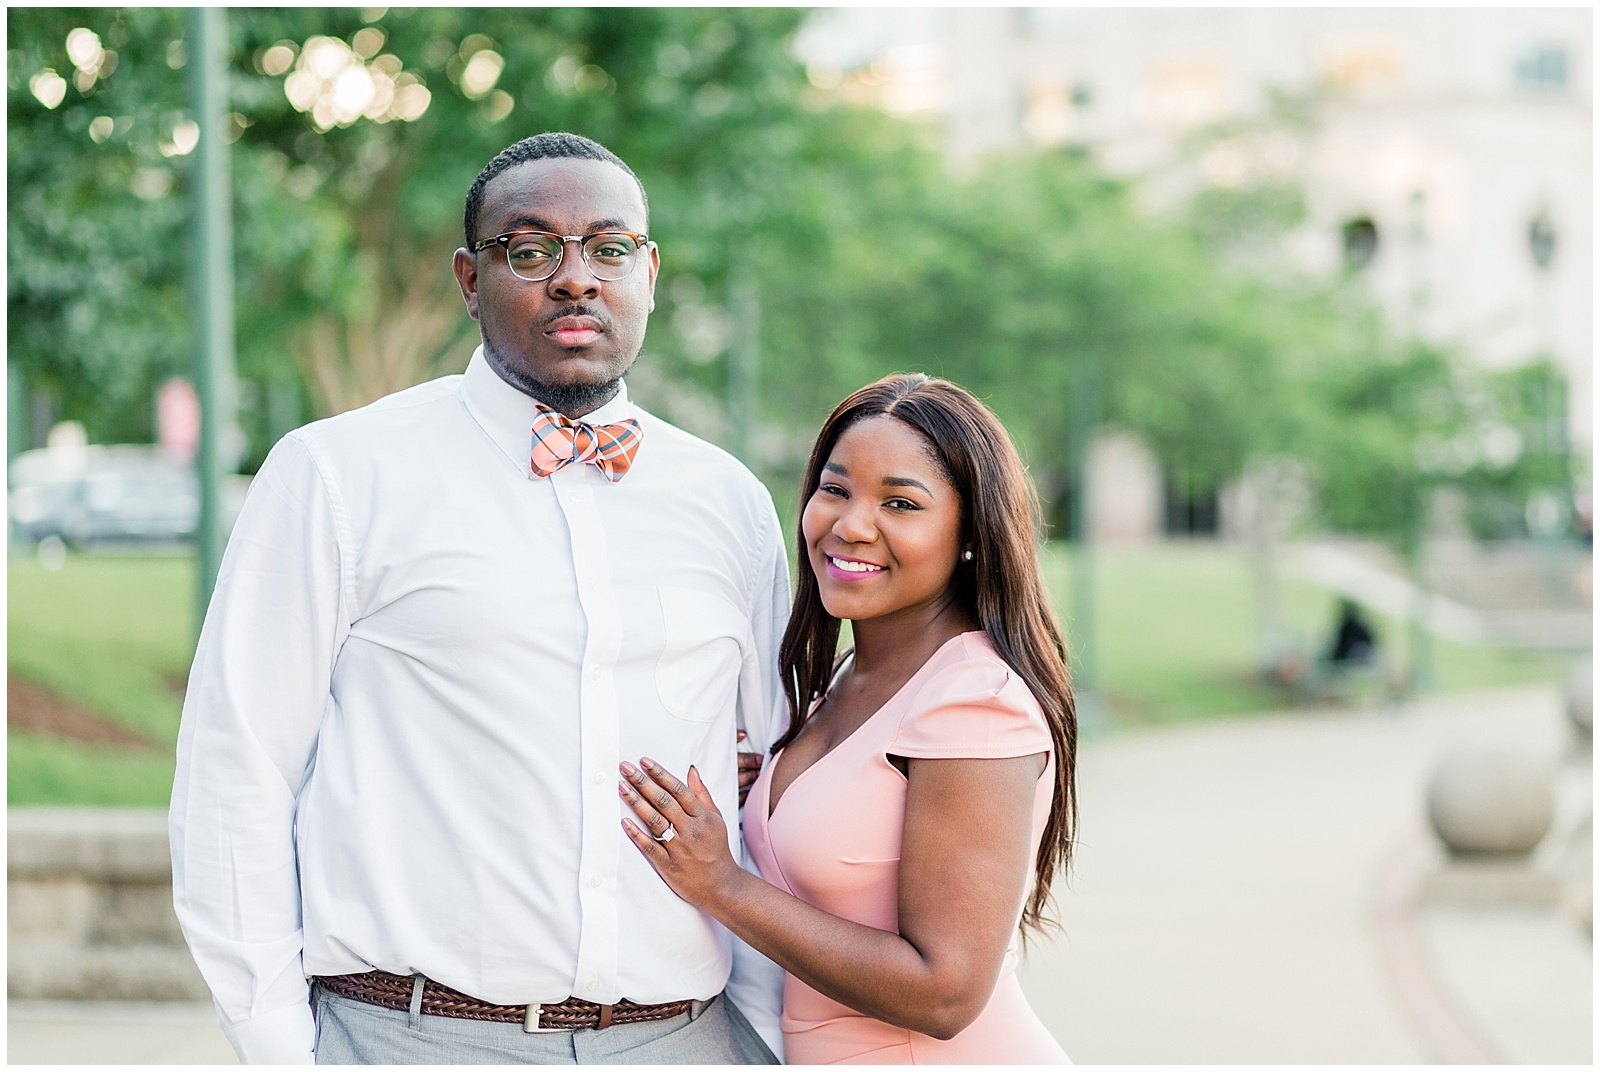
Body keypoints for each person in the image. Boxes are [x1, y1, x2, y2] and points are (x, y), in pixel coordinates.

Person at [168, 132, 787, 1065]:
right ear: (469, 279)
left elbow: (771, 789)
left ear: (649, 273)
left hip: (685, 1040)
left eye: (609, 249)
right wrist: (279, 1049)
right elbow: (235, 775)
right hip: (414, 1038)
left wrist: (762, 1038)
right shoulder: (338, 475)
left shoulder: (728, 501)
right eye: (531, 250)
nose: (576, 278)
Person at [617, 374, 1077, 1063]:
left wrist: (722, 884)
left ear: (970, 535)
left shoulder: (973, 701)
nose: (851, 525)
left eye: (900, 502)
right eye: (835, 490)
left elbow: (944, 993)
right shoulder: (846, 680)